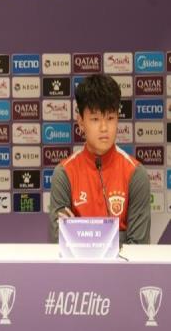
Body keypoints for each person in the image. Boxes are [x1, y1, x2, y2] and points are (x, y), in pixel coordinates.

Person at [49, 74, 150, 245]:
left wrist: (79, 231)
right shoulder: (64, 173)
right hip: (80, 266)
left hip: (121, 266)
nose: (104, 128)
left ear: (118, 119)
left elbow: (138, 247)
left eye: (110, 118)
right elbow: (60, 243)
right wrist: (119, 236)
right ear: (81, 122)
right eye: (95, 119)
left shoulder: (135, 173)